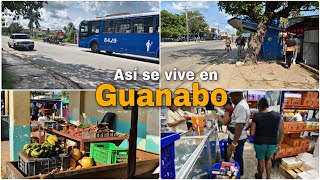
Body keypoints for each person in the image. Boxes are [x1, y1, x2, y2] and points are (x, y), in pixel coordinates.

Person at [250, 98, 284, 179]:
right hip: (272, 143)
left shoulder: (256, 116)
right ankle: (268, 177)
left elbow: (252, 133)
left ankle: (260, 176)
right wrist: (278, 144)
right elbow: (282, 132)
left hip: (260, 143)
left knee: (261, 160)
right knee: (268, 159)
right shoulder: (277, 115)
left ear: (259, 106)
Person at [227, 91, 250, 176]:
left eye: (232, 97)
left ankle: (239, 173)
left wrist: (234, 143)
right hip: (239, 137)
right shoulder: (242, 104)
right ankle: (240, 172)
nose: (231, 100)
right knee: (238, 155)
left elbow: (239, 127)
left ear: (237, 95)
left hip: (237, 138)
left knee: (238, 157)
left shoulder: (240, 106)